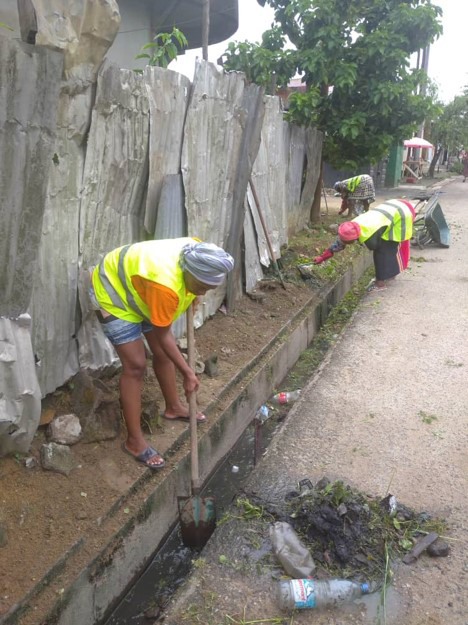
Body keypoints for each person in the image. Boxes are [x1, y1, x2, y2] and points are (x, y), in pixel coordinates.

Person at [91, 238, 234, 469]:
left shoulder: (197, 250)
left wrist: (194, 294)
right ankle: (134, 442)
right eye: (201, 287)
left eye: (208, 289)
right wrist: (188, 372)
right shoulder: (165, 287)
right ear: (190, 273)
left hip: (141, 289)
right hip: (114, 291)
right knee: (136, 365)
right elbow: (163, 335)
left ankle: (173, 407)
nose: (204, 294)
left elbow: (163, 340)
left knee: (163, 354)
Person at [314, 199, 415, 291]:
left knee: (384, 251)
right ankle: (389, 276)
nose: (345, 243)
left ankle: (380, 284)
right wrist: (322, 257)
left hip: (401, 214)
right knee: (387, 250)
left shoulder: (370, 235)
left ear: (354, 239)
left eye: (347, 242)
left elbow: (377, 248)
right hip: (393, 206)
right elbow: (339, 244)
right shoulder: (351, 226)